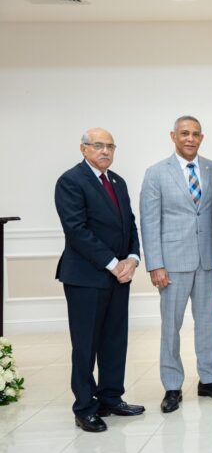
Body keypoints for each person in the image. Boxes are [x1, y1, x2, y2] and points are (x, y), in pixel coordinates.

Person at [140, 116, 212, 413]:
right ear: (173, 136)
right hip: (171, 263)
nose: (190, 139)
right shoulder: (156, 173)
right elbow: (149, 222)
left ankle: (209, 379)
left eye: (195, 134)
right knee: (171, 326)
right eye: (184, 134)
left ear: (201, 138)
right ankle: (172, 385)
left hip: (207, 259)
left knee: (206, 323)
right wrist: (155, 264)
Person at [55, 128, 144, 433]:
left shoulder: (117, 181)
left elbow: (129, 224)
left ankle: (110, 398)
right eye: (98, 145)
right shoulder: (71, 181)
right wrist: (113, 264)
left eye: (110, 146)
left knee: (114, 340)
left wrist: (132, 258)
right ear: (83, 149)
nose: (105, 151)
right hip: (86, 277)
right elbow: (76, 230)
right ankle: (85, 407)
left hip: (120, 277)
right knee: (86, 345)